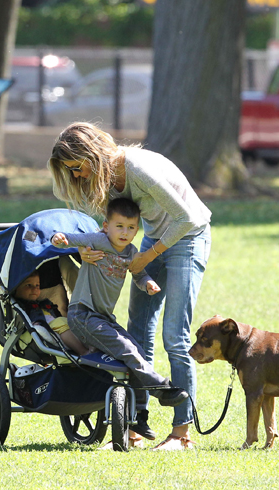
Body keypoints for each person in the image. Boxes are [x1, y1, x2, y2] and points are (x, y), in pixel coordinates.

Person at [48, 122, 211, 451]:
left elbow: (187, 219)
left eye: (77, 168)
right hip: (153, 240)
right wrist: (84, 248)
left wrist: (147, 257)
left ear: (91, 156)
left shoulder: (137, 168)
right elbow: (104, 228)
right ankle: (135, 429)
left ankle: (182, 435)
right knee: (137, 334)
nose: (78, 177)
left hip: (187, 239)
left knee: (174, 337)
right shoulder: (106, 179)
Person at [51, 197, 188, 409]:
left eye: (130, 227)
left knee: (137, 350)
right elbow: (72, 238)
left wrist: (148, 283)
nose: (124, 232)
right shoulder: (98, 241)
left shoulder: (131, 252)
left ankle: (139, 414)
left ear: (136, 231)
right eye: (119, 226)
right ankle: (161, 388)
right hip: (82, 315)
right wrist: (59, 238)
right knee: (127, 350)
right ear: (106, 227)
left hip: (104, 318)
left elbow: (139, 274)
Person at [13, 270, 90, 356]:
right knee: (61, 322)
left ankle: (91, 345)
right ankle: (83, 351)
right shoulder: (18, 306)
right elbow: (20, 320)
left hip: (54, 323)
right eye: (28, 285)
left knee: (74, 321)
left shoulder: (42, 303)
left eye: (37, 285)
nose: (35, 289)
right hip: (45, 325)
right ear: (16, 288)